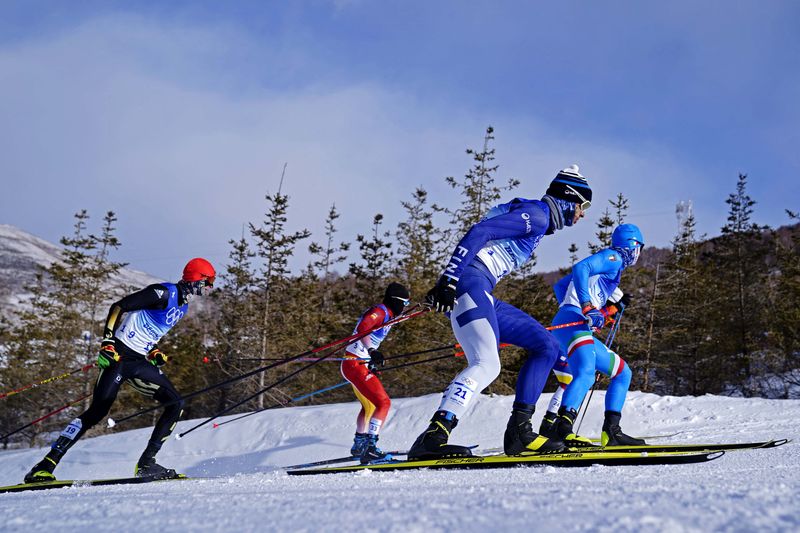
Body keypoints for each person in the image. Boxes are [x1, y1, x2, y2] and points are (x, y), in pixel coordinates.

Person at [409, 165, 592, 459]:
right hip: (470, 284)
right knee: (487, 364)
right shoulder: (539, 215)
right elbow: (480, 231)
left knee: (545, 345)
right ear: (569, 198)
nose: (582, 214)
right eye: (583, 206)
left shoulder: (537, 218)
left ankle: (520, 433)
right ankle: (432, 438)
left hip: (480, 290)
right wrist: (448, 281)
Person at [24, 258, 216, 482]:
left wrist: (153, 351)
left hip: (137, 361)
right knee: (97, 412)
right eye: (207, 281)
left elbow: (146, 329)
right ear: (196, 277)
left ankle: (147, 464)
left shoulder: (182, 306)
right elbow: (119, 307)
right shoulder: (163, 292)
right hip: (119, 357)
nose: (209, 287)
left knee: (176, 403)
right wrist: (107, 342)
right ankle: (44, 466)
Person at [537, 224, 646, 447]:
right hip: (573, 319)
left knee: (623, 372)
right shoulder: (613, 257)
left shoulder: (613, 268)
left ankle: (612, 432)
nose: (640, 253)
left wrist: (576, 308)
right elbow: (580, 267)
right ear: (633, 245)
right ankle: (562, 431)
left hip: (573, 322)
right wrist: (585, 307)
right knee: (586, 373)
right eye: (640, 248)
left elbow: (560, 286)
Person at [341, 282, 410, 464]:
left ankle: (360, 444)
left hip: (359, 364)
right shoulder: (380, 311)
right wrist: (372, 351)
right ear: (396, 301)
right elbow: (364, 327)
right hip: (354, 364)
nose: (405, 308)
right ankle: (371, 448)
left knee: (370, 405)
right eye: (405, 303)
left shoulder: (389, 315)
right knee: (384, 403)